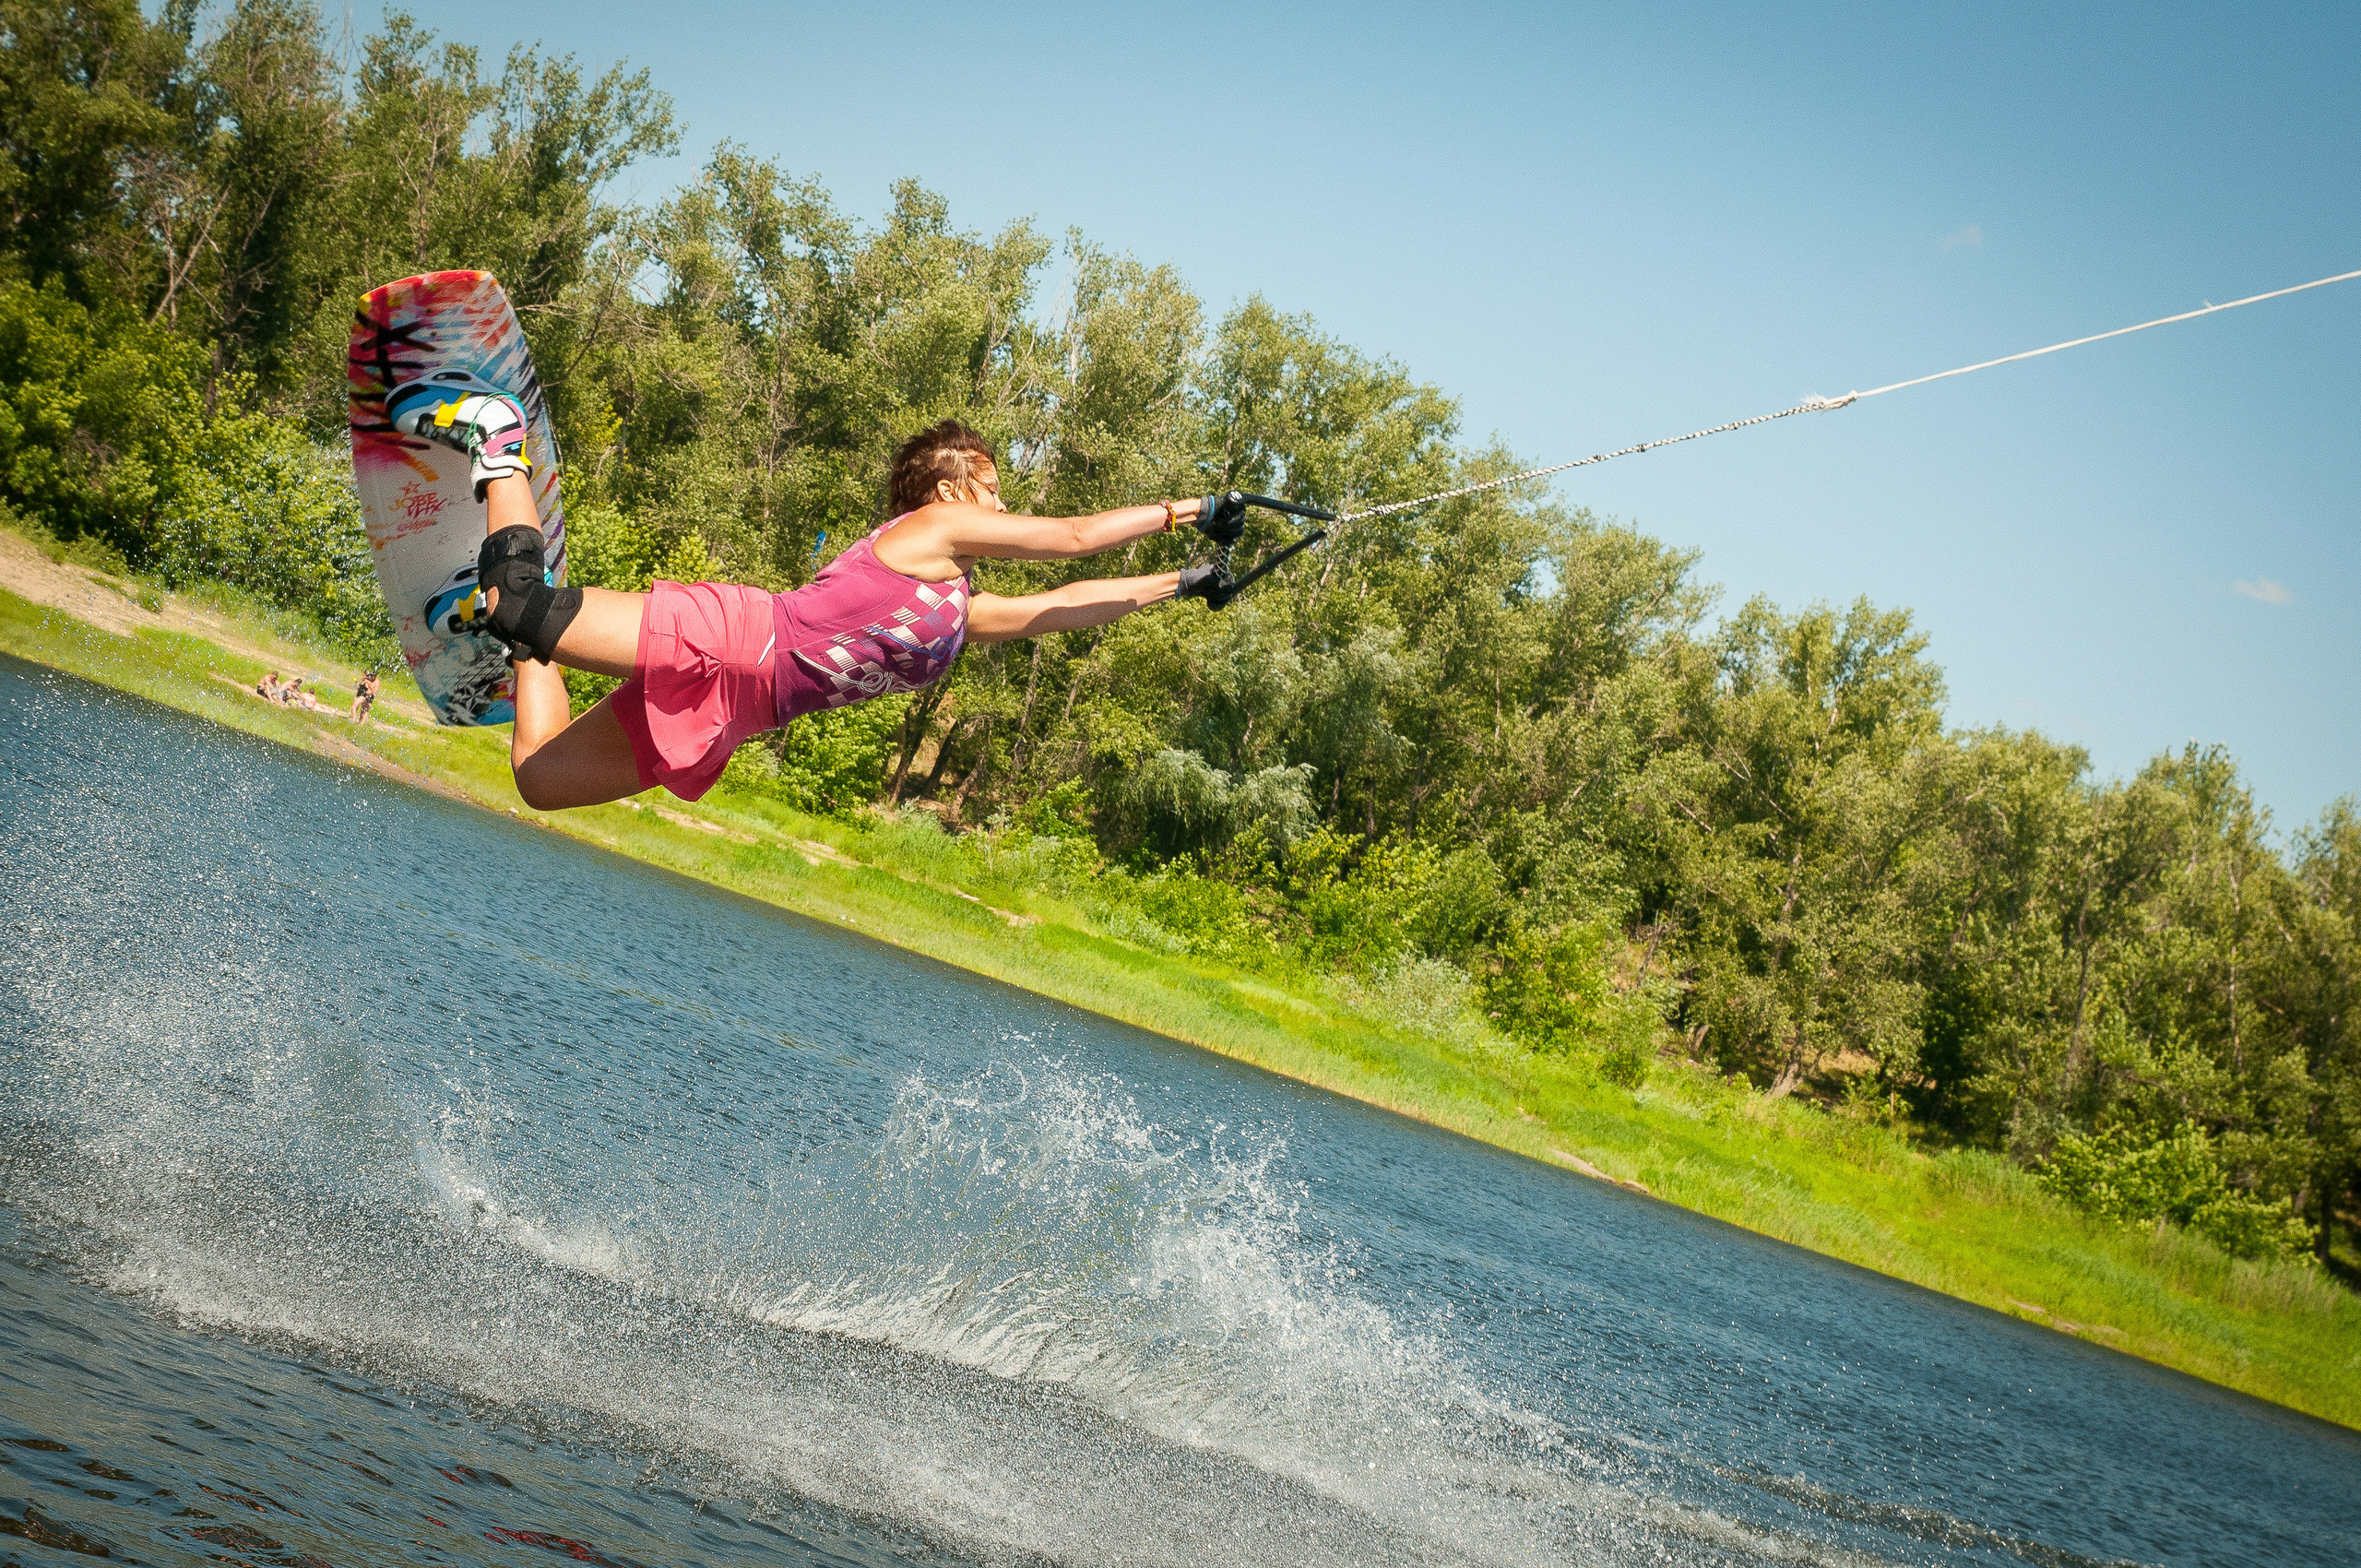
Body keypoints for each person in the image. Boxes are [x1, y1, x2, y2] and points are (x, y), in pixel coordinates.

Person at [384, 386, 1249, 812]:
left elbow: (1062, 603)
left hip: (737, 713)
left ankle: (513, 636)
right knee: (523, 598)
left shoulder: (952, 614)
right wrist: (1188, 511)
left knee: (539, 780)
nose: (999, 505)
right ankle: (498, 440)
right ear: (945, 494)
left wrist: (1181, 584)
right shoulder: (922, 538)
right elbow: (1070, 537)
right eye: (989, 487)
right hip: (738, 641)